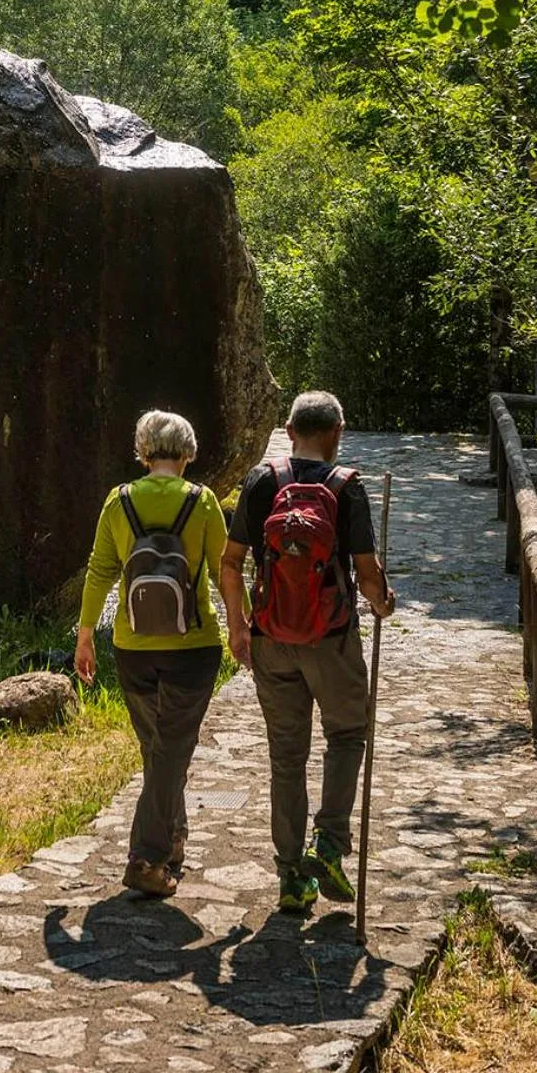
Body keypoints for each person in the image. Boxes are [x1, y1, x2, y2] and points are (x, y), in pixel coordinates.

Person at [220, 390, 395, 915]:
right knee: (347, 734)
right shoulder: (347, 486)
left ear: (289, 431)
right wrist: (383, 603)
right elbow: (366, 575)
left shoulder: (262, 480)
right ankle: (330, 844)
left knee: (286, 755)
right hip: (331, 640)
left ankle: (291, 878)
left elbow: (231, 562)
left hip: (271, 638)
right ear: (337, 432)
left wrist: (238, 627)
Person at [75, 409, 228, 898]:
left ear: (142, 452)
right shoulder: (202, 502)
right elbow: (224, 571)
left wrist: (84, 634)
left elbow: (100, 570)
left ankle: (174, 839)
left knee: (159, 750)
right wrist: (245, 628)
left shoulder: (119, 500)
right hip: (192, 647)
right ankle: (146, 857)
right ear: (188, 452)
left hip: (132, 645)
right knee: (170, 750)